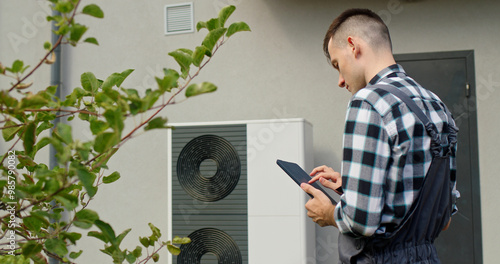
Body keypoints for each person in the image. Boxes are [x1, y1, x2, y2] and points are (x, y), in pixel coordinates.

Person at [300, 8, 459, 263]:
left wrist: (329, 213)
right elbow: (444, 219)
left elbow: (360, 222)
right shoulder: (437, 105)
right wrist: (350, 185)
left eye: (337, 65)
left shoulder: (368, 102)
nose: (340, 80)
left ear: (353, 46)